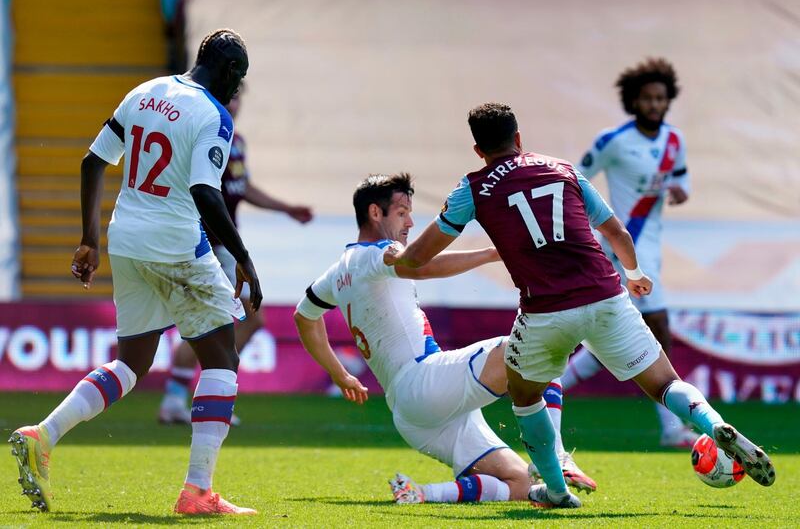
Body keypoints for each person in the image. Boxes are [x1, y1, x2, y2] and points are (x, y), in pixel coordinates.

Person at [385, 103, 775, 509]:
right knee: (663, 383)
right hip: (606, 295)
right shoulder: (563, 169)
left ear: (478, 150)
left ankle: (555, 490)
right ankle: (714, 425)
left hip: (544, 311)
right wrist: (635, 272)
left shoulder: (474, 188)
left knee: (524, 394)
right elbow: (618, 232)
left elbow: (417, 258)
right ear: (519, 139)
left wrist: (400, 256)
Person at [9, 29, 262, 515]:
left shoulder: (145, 91)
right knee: (223, 360)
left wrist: (89, 239)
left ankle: (43, 434)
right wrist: (244, 259)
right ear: (231, 73)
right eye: (240, 78)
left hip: (126, 239)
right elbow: (207, 193)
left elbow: (93, 161)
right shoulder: (215, 116)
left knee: (131, 363)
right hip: (175, 244)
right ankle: (198, 492)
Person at [293, 173, 596, 506]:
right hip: (425, 382)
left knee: (521, 483)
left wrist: (340, 374)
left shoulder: (339, 270)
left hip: (410, 412)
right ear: (375, 213)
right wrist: (493, 253)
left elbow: (304, 316)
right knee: (536, 346)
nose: (410, 221)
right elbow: (417, 266)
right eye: (402, 212)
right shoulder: (376, 253)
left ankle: (421, 493)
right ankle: (556, 455)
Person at [158, 84, 313, 425]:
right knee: (225, 323)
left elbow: (242, 189)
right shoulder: (202, 135)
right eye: (229, 95)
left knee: (238, 320)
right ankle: (204, 392)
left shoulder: (236, 141)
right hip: (207, 245)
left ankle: (180, 397)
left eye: (239, 96)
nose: (235, 102)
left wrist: (285, 208)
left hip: (228, 248)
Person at [562, 57, 696, 447]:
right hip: (624, 249)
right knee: (657, 330)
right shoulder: (614, 141)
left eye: (660, 98)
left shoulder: (675, 142)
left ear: (668, 100)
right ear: (633, 101)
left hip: (653, 248)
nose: (655, 105)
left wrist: (679, 191)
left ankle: (553, 386)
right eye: (647, 98)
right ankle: (673, 427)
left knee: (613, 334)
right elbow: (573, 178)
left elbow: (681, 179)